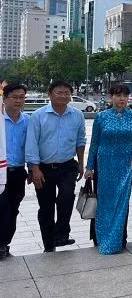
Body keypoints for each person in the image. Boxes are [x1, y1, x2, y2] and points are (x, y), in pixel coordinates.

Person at [26, 81, 86, 252]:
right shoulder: (38, 115)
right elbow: (32, 144)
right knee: (46, 207)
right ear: (50, 94)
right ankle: (49, 244)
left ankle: (61, 234)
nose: (63, 96)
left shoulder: (77, 115)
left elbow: (80, 141)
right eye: (59, 92)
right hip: (43, 168)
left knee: (66, 198)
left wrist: (81, 164)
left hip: (67, 166)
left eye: (67, 93)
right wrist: (34, 169)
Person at [85, 85, 132, 254]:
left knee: (122, 203)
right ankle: (102, 240)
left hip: (125, 166)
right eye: (118, 95)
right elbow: (94, 143)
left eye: (125, 95)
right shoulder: (101, 117)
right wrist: (89, 167)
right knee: (105, 203)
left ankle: (118, 240)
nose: (122, 99)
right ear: (111, 97)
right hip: (105, 165)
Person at [1, 83, 29, 259]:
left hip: (18, 172)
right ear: (5, 99)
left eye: (22, 97)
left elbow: (31, 147)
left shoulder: (28, 121)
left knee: (13, 210)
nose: (18, 101)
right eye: (14, 97)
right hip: (0, 172)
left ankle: (5, 243)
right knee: (2, 208)